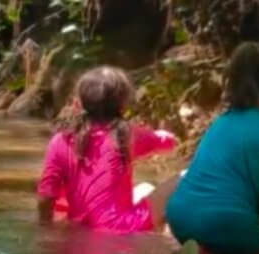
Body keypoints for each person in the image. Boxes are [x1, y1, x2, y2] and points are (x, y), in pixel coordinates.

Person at [165, 42, 259, 254]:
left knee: (228, 244)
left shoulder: (222, 122)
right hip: (224, 220)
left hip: (179, 214)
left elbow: (226, 193)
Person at [37, 66, 178, 232]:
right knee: (185, 178)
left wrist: (45, 229)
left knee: (145, 188)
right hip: (126, 226)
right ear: (123, 105)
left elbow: (46, 195)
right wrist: (168, 137)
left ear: (78, 104)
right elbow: (167, 143)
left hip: (82, 228)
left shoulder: (60, 141)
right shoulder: (127, 135)